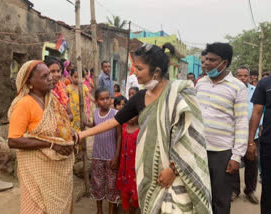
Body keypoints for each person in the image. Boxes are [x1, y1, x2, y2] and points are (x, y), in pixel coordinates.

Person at [77, 43, 213, 214]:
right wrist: (81, 134)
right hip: (151, 174)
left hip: (178, 175)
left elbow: (189, 141)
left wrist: (173, 170)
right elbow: (113, 121)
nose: (134, 73)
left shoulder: (178, 96)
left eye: (139, 68)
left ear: (155, 72)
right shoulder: (140, 98)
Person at [7, 60, 75, 214]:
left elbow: (60, 126)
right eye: (45, 76)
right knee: (38, 208)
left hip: (57, 170)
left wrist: (71, 134)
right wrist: (51, 145)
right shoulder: (24, 104)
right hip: (36, 171)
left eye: (50, 74)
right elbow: (13, 140)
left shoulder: (53, 100)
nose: (51, 78)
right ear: (30, 83)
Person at [195, 42, 248, 214]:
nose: (206, 63)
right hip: (199, 149)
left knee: (220, 200)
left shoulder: (238, 87)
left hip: (222, 153)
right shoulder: (200, 84)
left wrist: (237, 156)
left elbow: (241, 122)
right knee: (199, 196)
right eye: (205, 59)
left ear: (224, 63)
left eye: (212, 60)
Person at [85, 88, 121, 214]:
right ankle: (99, 210)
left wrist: (117, 156)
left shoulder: (115, 114)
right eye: (102, 99)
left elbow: (119, 136)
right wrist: (87, 124)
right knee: (97, 184)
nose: (105, 101)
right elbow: (95, 126)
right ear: (97, 101)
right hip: (97, 155)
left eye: (107, 98)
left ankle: (111, 211)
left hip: (111, 156)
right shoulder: (95, 113)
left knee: (112, 186)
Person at [232, 66, 260, 204]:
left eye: (245, 75)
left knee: (252, 163)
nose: (242, 78)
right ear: (235, 76)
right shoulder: (231, 89)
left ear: (249, 77)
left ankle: (250, 190)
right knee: (234, 161)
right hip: (234, 134)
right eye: (240, 75)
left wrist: (258, 130)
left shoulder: (256, 91)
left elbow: (259, 111)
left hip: (252, 134)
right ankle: (234, 190)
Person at [248, 73, 271, 214]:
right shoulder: (265, 83)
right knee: (269, 185)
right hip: (270, 143)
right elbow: (257, 112)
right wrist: (251, 142)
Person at [116, 116, 139, 214]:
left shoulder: (141, 129)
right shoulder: (124, 127)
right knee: (124, 195)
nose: (131, 117)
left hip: (135, 169)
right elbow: (119, 141)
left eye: (134, 114)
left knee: (136, 197)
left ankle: (133, 211)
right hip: (124, 168)